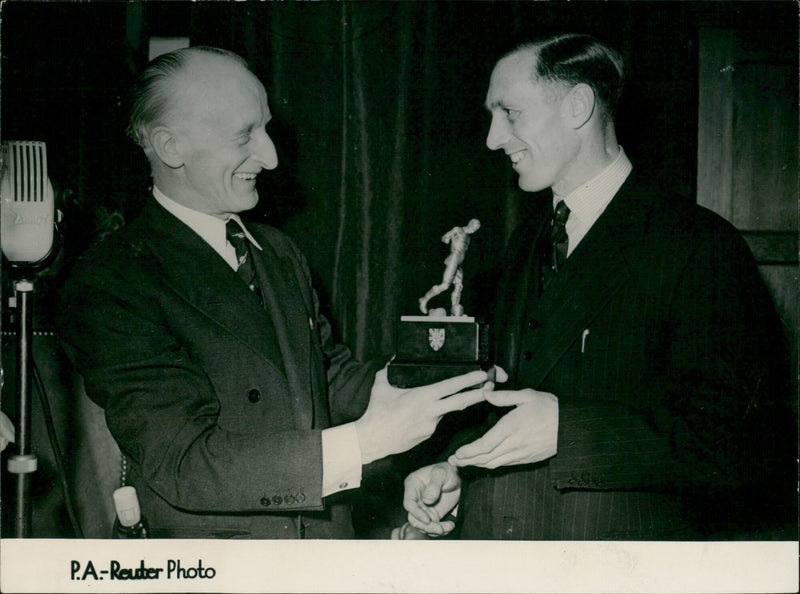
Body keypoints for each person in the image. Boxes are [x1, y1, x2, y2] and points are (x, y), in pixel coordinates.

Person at [56, 46, 494, 539]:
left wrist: (422, 380)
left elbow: (322, 374)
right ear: (170, 147)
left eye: (265, 128)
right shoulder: (111, 279)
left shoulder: (277, 251)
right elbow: (186, 464)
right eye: (245, 135)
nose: (271, 155)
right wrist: (369, 441)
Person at [401, 34, 795, 540]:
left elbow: (738, 445)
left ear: (578, 106)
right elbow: (515, 401)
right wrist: (458, 470)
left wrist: (570, 432)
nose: (493, 138)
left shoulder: (698, 244)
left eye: (510, 113)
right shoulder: (525, 241)